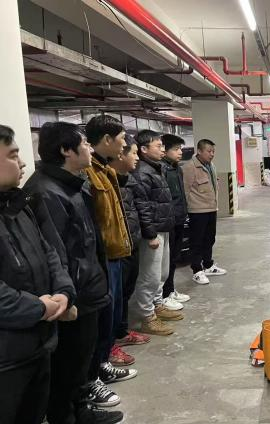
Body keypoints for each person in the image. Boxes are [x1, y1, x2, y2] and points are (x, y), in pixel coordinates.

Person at [23, 122, 123, 424]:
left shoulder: (70, 185)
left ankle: (80, 409)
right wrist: (69, 297)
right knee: (68, 364)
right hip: (76, 294)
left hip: (87, 287)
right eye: (84, 144)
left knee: (80, 361)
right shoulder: (46, 193)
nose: (90, 149)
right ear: (67, 150)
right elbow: (56, 254)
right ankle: (68, 416)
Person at [0, 124, 76, 424]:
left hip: (37, 345)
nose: (22, 163)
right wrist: (40, 308)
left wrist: (63, 292)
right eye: (13, 155)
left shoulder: (18, 206)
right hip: (6, 359)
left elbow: (49, 252)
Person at [84, 115, 136, 408]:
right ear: (106, 140)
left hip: (115, 253)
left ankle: (102, 364)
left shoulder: (105, 170)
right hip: (101, 257)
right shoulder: (88, 173)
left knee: (111, 315)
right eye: (121, 138)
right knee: (101, 319)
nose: (125, 144)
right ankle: (92, 377)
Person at [130, 130, 182, 337]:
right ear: (143, 149)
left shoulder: (155, 168)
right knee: (149, 276)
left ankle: (157, 305)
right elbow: (142, 205)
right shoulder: (141, 172)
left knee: (161, 273)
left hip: (163, 227)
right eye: (158, 146)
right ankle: (146, 317)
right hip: (153, 232)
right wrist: (150, 234)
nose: (162, 149)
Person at [109, 135, 151, 366]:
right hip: (117, 248)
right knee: (115, 297)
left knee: (125, 292)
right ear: (119, 155)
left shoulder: (126, 180)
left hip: (130, 242)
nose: (137, 157)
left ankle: (122, 332)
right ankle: (111, 342)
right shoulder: (106, 181)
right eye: (133, 153)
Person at [182, 139, 227, 285]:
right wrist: (185, 211)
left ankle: (208, 265)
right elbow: (185, 191)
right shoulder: (190, 167)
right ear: (199, 151)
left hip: (211, 208)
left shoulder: (211, 166)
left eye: (213, 151)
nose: (212, 154)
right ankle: (197, 270)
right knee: (197, 241)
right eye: (209, 151)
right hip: (197, 211)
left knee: (209, 238)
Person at [160, 134, 191, 308]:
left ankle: (170, 290)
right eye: (176, 149)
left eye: (181, 149)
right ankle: (164, 295)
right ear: (164, 150)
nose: (180, 152)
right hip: (168, 221)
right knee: (166, 261)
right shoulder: (162, 169)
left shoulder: (176, 168)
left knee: (173, 258)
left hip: (178, 218)